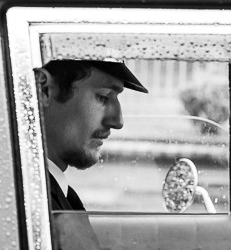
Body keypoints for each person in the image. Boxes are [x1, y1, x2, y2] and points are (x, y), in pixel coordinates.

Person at [34, 59, 147, 211]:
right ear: (44, 90)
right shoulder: (33, 199)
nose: (118, 121)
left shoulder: (48, 193)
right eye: (103, 97)